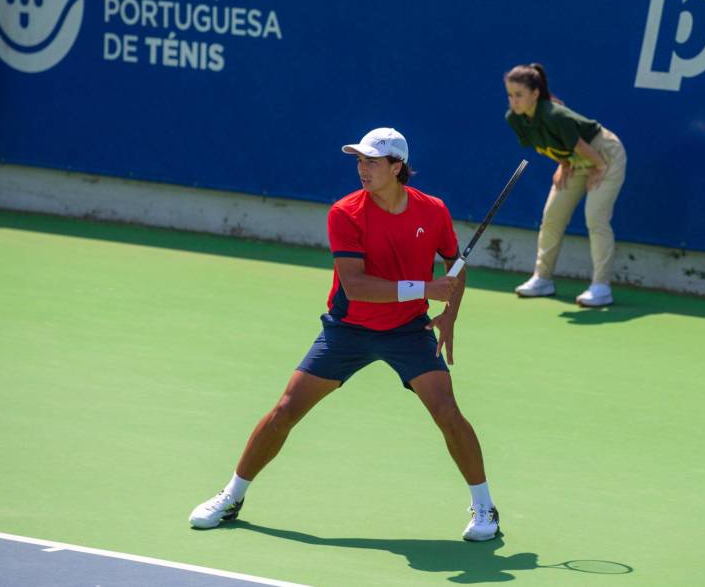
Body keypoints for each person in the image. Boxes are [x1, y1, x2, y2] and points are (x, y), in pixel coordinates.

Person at [189, 128, 501, 542]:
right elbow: (357, 286)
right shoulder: (345, 212)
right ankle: (232, 496)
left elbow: (454, 269)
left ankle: (486, 509)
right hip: (348, 329)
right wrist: (427, 290)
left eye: (371, 161)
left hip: (408, 330)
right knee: (285, 410)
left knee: (447, 411)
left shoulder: (433, 211)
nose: (362, 169)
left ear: (397, 167)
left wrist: (450, 317)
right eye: (359, 160)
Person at [503, 63, 627, 307]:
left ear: (535, 94)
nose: (514, 101)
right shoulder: (515, 119)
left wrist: (598, 168)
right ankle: (542, 279)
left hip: (605, 155)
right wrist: (565, 164)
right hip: (575, 160)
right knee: (552, 216)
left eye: (519, 95)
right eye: (510, 95)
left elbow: (581, 145)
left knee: (595, 218)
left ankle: (601, 287)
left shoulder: (554, 115)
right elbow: (547, 144)